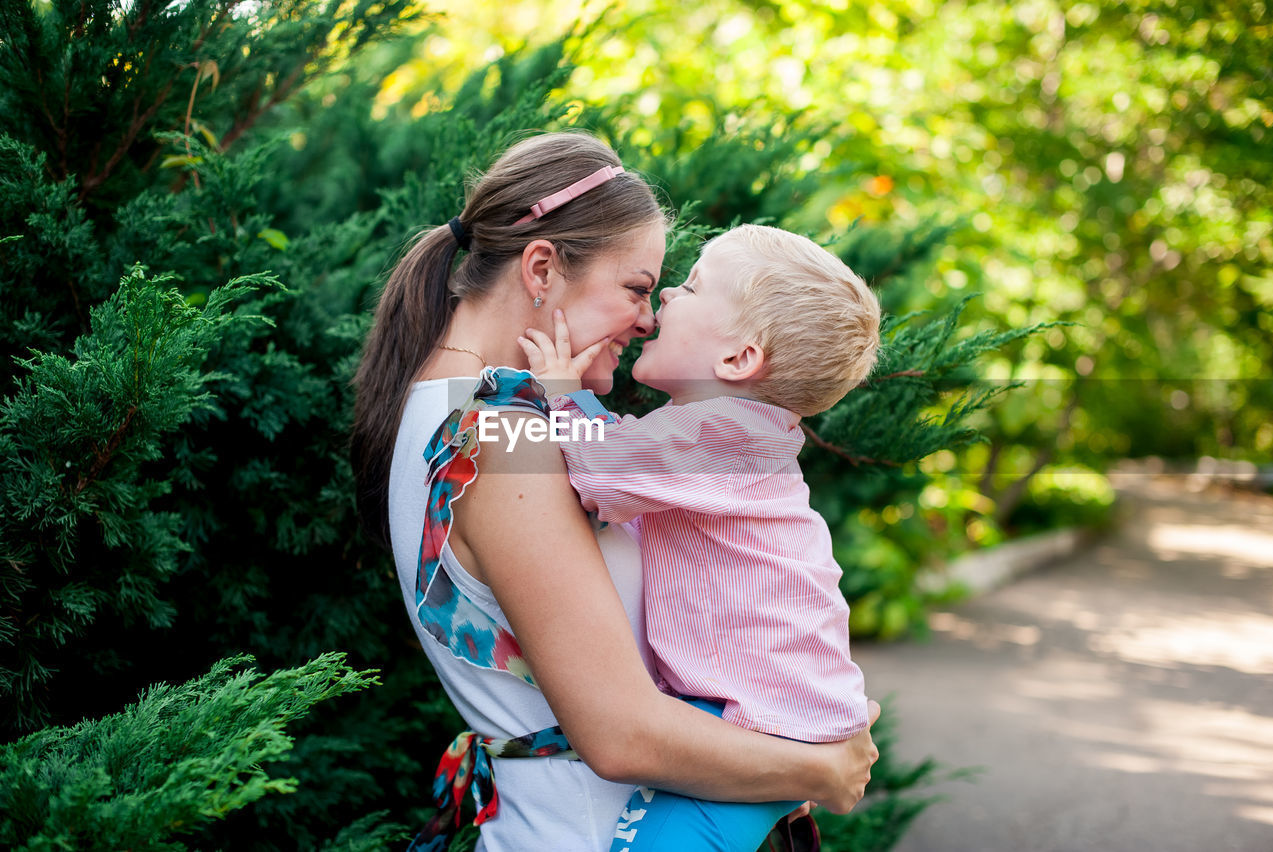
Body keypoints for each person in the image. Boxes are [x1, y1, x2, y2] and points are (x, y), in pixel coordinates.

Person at [350, 132, 880, 852]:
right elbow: (623, 734)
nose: (650, 315)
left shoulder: (465, 412)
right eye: (636, 288)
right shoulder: (504, 441)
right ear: (542, 268)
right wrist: (823, 769)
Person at [518, 224, 881, 851]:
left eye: (689, 286)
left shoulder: (728, 433)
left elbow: (605, 471)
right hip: (768, 716)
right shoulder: (727, 437)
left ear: (738, 359)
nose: (663, 299)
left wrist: (556, 395)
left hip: (763, 725)